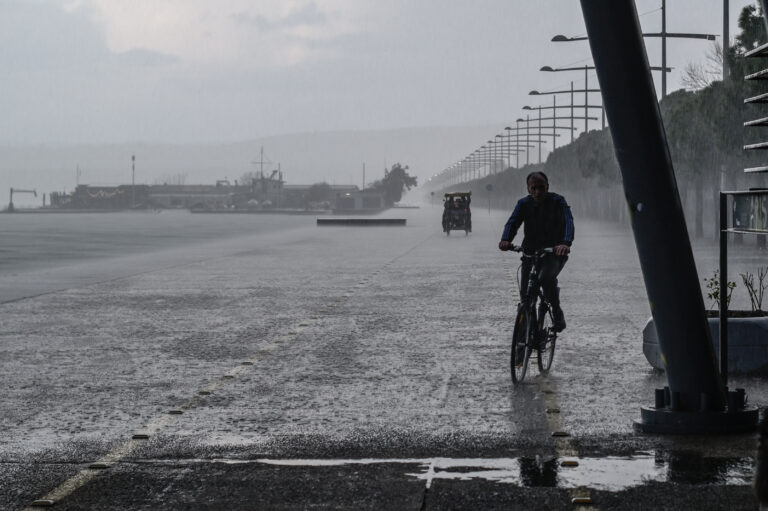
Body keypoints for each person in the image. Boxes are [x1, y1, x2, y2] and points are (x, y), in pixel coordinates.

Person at [498, 171, 574, 332]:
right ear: (528, 189)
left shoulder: (558, 201)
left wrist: (565, 243)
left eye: (541, 188)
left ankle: (557, 312)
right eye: (534, 188)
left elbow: (568, 221)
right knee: (525, 297)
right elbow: (513, 222)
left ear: (547, 187)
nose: (537, 192)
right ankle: (525, 338)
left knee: (545, 279)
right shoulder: (523, 204)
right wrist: (506, 239)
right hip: (529, 253)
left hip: (553, 253)